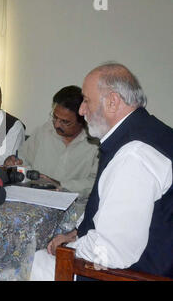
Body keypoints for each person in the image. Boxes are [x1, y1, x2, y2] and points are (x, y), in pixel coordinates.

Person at [30, 63, 172, 280]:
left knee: (38, 261)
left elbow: (112, 251)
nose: (81, 111)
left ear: (113, 102)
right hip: (149, 258)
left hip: (136, 272)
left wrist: (71, 248)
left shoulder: (134, 156)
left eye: (86, 100)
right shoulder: (148, 132)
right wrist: (76, 233)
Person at [4, 86, 99, 218]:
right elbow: (23, 158)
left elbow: (95, 183)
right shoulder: (44, 131)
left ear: (82, 120)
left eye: (65, 122)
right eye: (55, 117)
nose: (56, 125)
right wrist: (15, 162)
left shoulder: (96, 142)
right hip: (34, 206)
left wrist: (60, 185)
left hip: (72, 213)